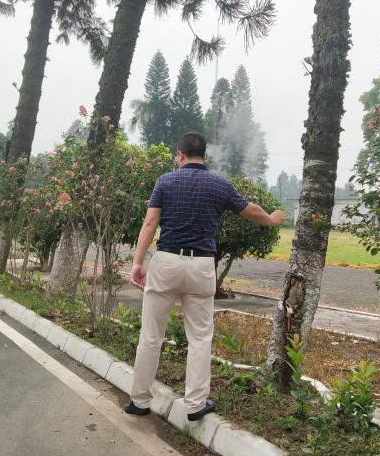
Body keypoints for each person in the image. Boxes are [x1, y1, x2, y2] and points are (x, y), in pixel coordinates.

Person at [123, 132, 289, 421]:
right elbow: (249, 209)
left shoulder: (165, 181)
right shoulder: (218, 184)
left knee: (151, 335)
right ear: (204, 156)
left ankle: (139, 401)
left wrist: (138, 263)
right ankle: (195, 404)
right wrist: (272, 220)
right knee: (200, 337)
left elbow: (150, 223)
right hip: (201, 265)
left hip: (166, 262)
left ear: (180, 155)